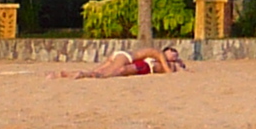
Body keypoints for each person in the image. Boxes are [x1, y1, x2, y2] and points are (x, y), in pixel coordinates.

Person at [58, 45, 186, 79]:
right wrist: (177, 66)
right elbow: (167, 70)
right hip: (125, 57)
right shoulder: (158, 53)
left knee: (97, 71)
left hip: (120, 55)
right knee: (106, 74)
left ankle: (66, 74)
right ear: (166, 50)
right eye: (172, 52)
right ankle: (80, 74)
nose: (174, 55)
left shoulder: (153, 56)